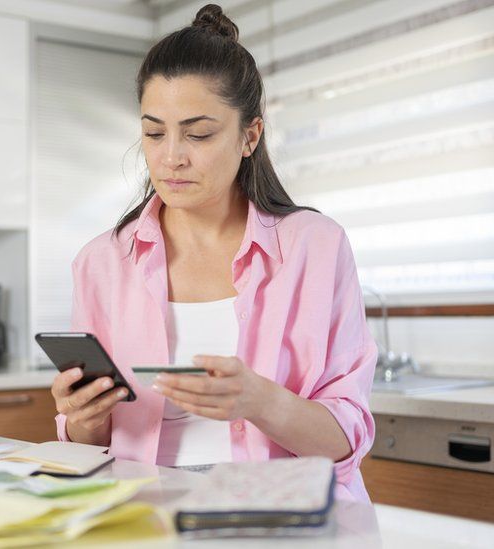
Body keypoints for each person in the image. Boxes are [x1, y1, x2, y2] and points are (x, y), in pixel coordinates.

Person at [49, 4, 377, 502]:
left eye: (198, 133)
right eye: (154, 132)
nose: (171, 156)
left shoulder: (315, 245)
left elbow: (344, 444)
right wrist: (81, 421)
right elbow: (89, 451)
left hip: (287, 509)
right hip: (143, 510)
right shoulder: (101, 262)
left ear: (250, 136)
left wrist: (259, 400)